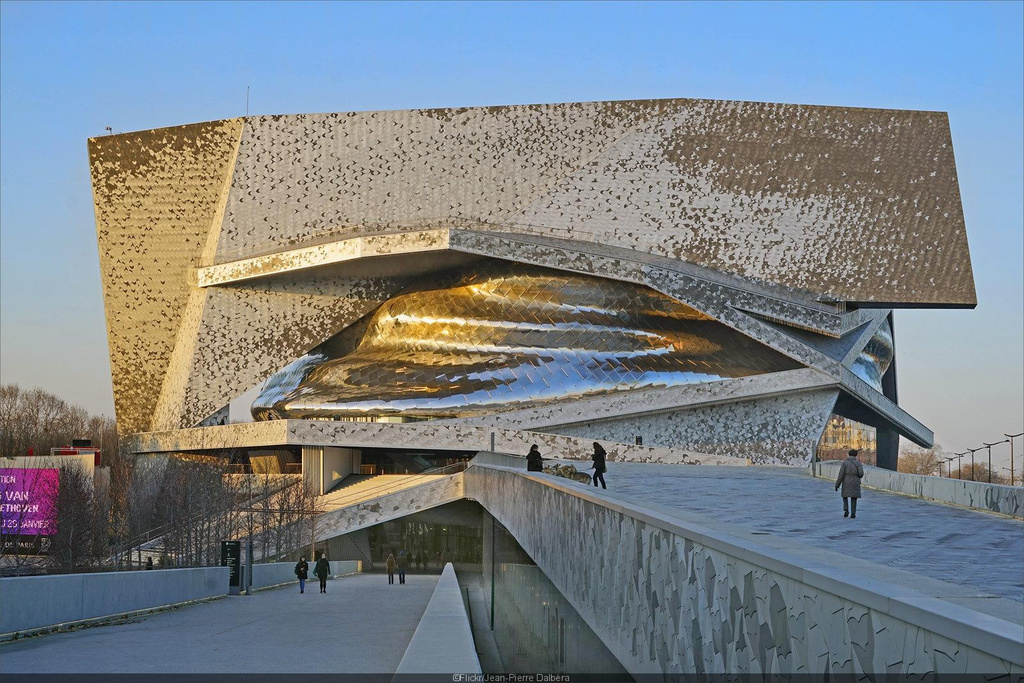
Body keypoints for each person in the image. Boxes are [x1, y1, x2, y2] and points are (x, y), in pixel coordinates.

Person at [835, 449, 865, 518]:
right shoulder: (858, 463)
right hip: (855, 481)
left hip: (846, 481)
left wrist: (837, 485)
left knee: (845, 495)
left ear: (849, 454)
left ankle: (846, 510)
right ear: (856, 455)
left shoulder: (845, 463)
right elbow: (861, 474)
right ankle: (853, 513)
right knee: (854, 498)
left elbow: (841, 475)